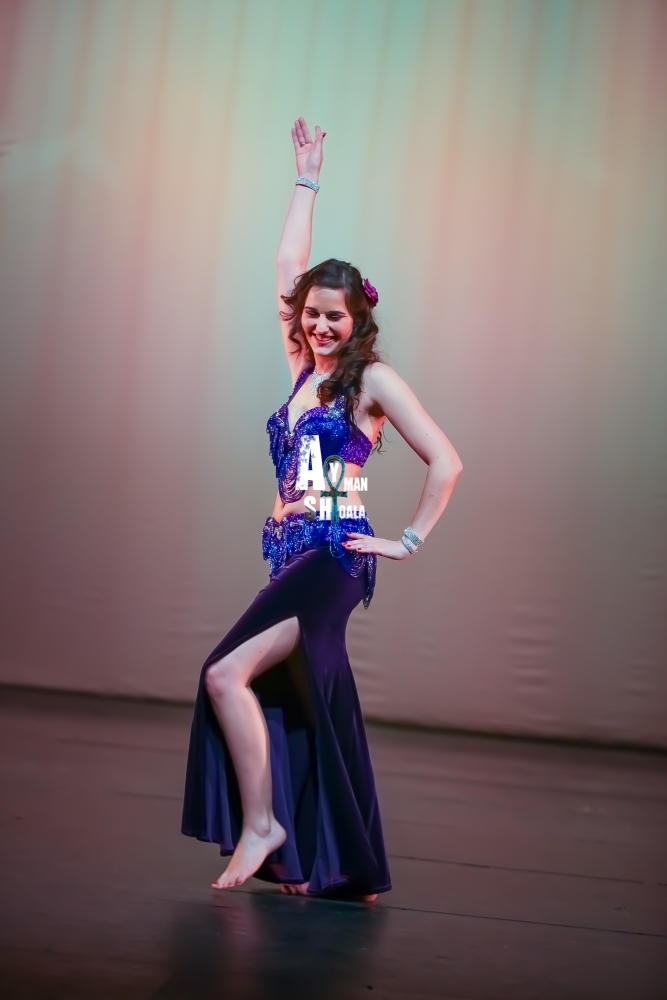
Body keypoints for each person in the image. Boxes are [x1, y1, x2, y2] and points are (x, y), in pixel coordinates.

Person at [181, 118, 463, 899]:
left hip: (332, 555)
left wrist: (406, 540)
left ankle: (263, 826)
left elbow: (446, 461)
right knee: (303, 698)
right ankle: (336, 862)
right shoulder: (303, 371)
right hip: (290, 554)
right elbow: (286, 268)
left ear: (357, 319)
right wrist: (305, 179)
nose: (317, 324)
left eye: (334, 316)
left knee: (226, 674)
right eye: (310, 314)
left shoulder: (370, 382)